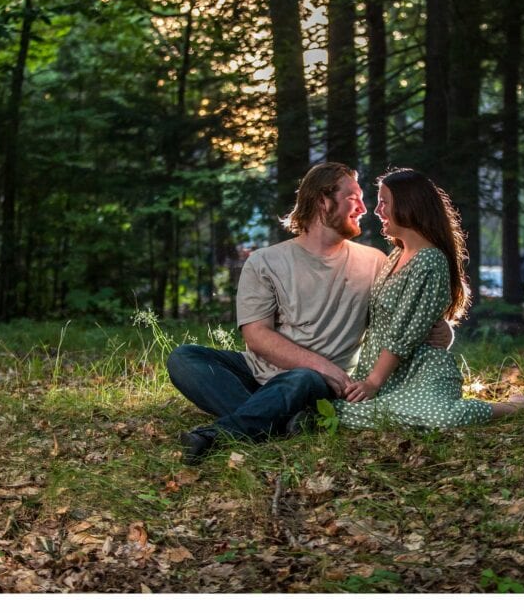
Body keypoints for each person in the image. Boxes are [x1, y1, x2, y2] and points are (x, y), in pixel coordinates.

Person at [166, 162, 450, 464]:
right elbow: (257, 336)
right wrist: (323, 365)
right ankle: (284, 422)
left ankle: (216, 435)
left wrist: (443, 332)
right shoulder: (266, 261)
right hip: (259, 373)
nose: (365, 209)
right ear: (322, 201)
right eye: (354, 198)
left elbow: (402, 318)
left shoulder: (375, 262)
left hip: (318, 386)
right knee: (183, 358)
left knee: (301, 378)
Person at [334, 168, 524, 429]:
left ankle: (516, 406)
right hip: (383, 371)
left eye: (384, 202)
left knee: (441, 419)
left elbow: (404, 330)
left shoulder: (429, 260)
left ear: (408, 204)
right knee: (343, 413)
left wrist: (373, 383)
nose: (377, 210)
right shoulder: (395, 255)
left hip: (420, 371)